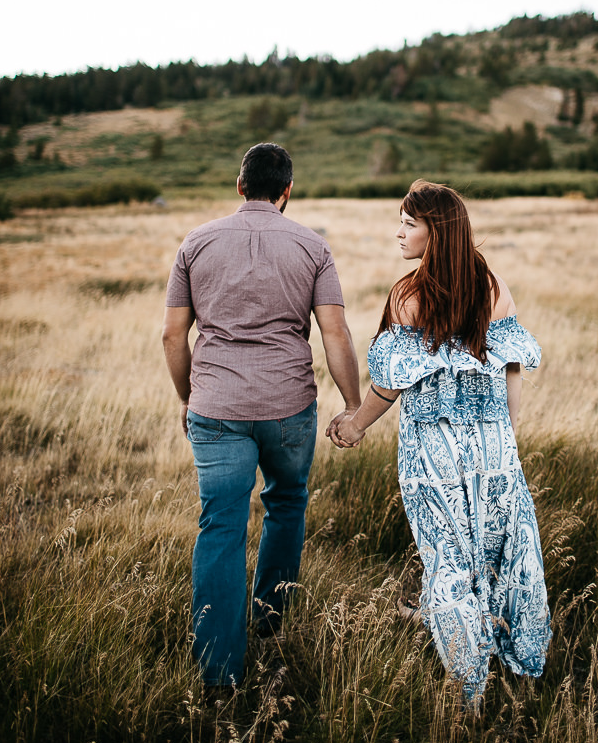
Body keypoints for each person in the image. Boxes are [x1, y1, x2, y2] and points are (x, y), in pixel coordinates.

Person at [327, 180, 551, 708]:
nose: (399, 232)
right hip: (494, 443)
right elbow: (511, 366)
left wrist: (356, 423)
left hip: (434, 448)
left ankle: (469, 684)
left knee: (447, 557)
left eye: (410, 223)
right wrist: (506, 434)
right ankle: (520, 663)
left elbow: (392, 381)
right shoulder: (492, 286)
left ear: (436, 230)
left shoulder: (409, 294)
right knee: (505, 551)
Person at [163, 142, 361, 691]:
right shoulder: (313, 246)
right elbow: (335, 333)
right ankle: (270, 624)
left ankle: (219, 671)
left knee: (221, 524)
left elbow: (172, 335)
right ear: (287, 190)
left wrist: (188, 396)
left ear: (239, 185)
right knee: (287, 503)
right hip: (289, 407)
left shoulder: (196, 244)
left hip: (216, 408)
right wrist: (351, 405)